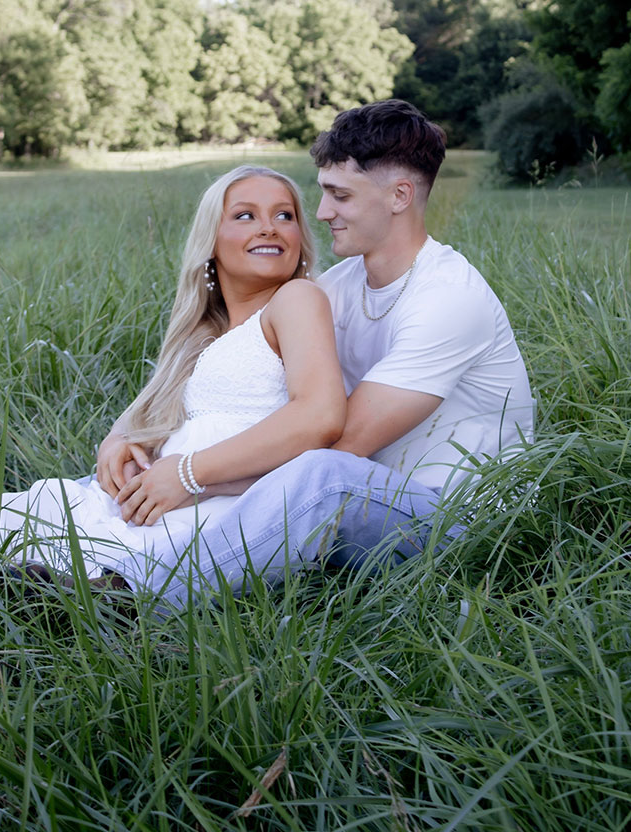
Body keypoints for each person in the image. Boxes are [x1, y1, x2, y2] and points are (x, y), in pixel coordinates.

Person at [111, 99, 535, 607]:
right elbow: (234, 361)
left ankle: (134, 597)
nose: (321, 212)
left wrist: (191, 477)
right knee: (300, 476)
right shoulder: (337, 285)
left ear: (400, 196)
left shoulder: (448, 299)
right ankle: (89, 559)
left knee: (320, 477)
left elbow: (338, 447)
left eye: (340, 195)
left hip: (461, 524)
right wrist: (123, 438)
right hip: (368, 497)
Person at [0, 166, 347, 587]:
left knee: (113, 564)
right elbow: (151, 416)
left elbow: (320, 415)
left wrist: (188, 474)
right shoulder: (203, 332)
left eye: (284, 216)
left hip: (221, 498)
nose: (269, 229)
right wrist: (119, 441)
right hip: (157, 493)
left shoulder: (296, 298)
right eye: (245, 216)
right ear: (211, 243)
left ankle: (87, 594)